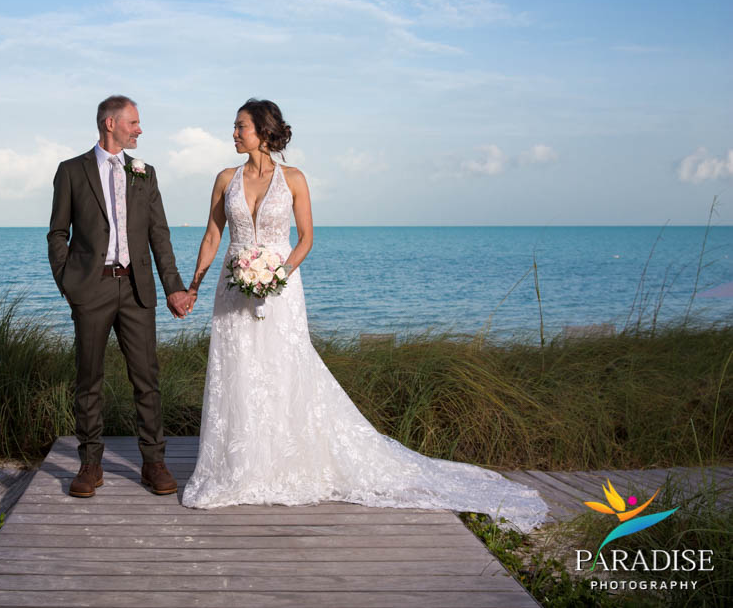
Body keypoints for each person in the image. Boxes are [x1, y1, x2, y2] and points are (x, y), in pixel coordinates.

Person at [177, 98, 549, 533]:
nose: (234, 133)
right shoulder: (225, 179)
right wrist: (195, 287)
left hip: (280, 288)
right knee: (238, 370)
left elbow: (306, 238)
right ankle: (238, 467)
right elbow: (213, 235)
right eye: (235, 127)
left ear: (263, 129)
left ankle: (284, 463)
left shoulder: (294, 179)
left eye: (240, 126)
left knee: (284, 367)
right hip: (233, 287)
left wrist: (277, 275)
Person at [47, 95, 193, 498]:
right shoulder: (71, 171)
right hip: (90, 289)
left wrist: (174, 288)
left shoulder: (146, 174)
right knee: (88, 379)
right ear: (110, 123)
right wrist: (68, 282)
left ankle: (153, 463)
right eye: (133, 122)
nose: (139, 129)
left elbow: (158, 236)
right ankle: (90, 465)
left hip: (136, 289)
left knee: (146, 379)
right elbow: (58, 233)